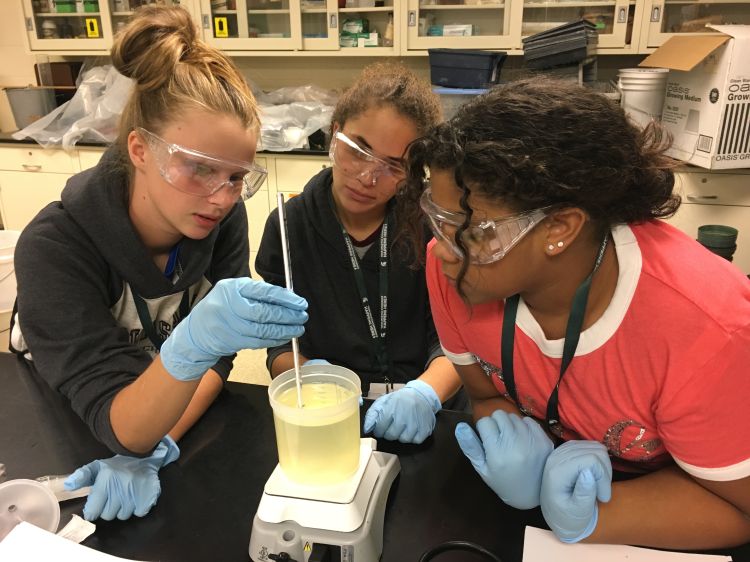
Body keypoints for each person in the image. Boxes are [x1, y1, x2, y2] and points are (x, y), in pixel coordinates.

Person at [397, 77, 750, 549]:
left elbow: (738, 505)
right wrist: (513, 446)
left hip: (676, 502)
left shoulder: (707, 330)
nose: (442, 251)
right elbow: (484, 395)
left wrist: (597, 517)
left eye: (468, 230)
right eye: (437, 220)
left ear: (559, 228)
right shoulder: (457, 276)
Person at [10, 6, 307, 522]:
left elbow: (212, 362)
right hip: (67, 429)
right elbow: (113, 418)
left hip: (155, 420)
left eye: (236, 177)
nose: (220, 197)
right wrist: (189, 351)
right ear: (140, 149)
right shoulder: (55, 247)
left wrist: (159, 439)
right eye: (198, 169)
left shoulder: (217, 221)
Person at [255, 62, 463, 445]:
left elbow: (455, 339)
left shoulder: (431, 226)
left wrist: (424, 394)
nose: (367, 177)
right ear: (335, 135)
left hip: (423, 412)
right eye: (358, 150)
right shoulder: (289, 226)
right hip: (329, 411)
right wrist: (311, 379)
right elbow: (282, 345)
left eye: (393, 167)